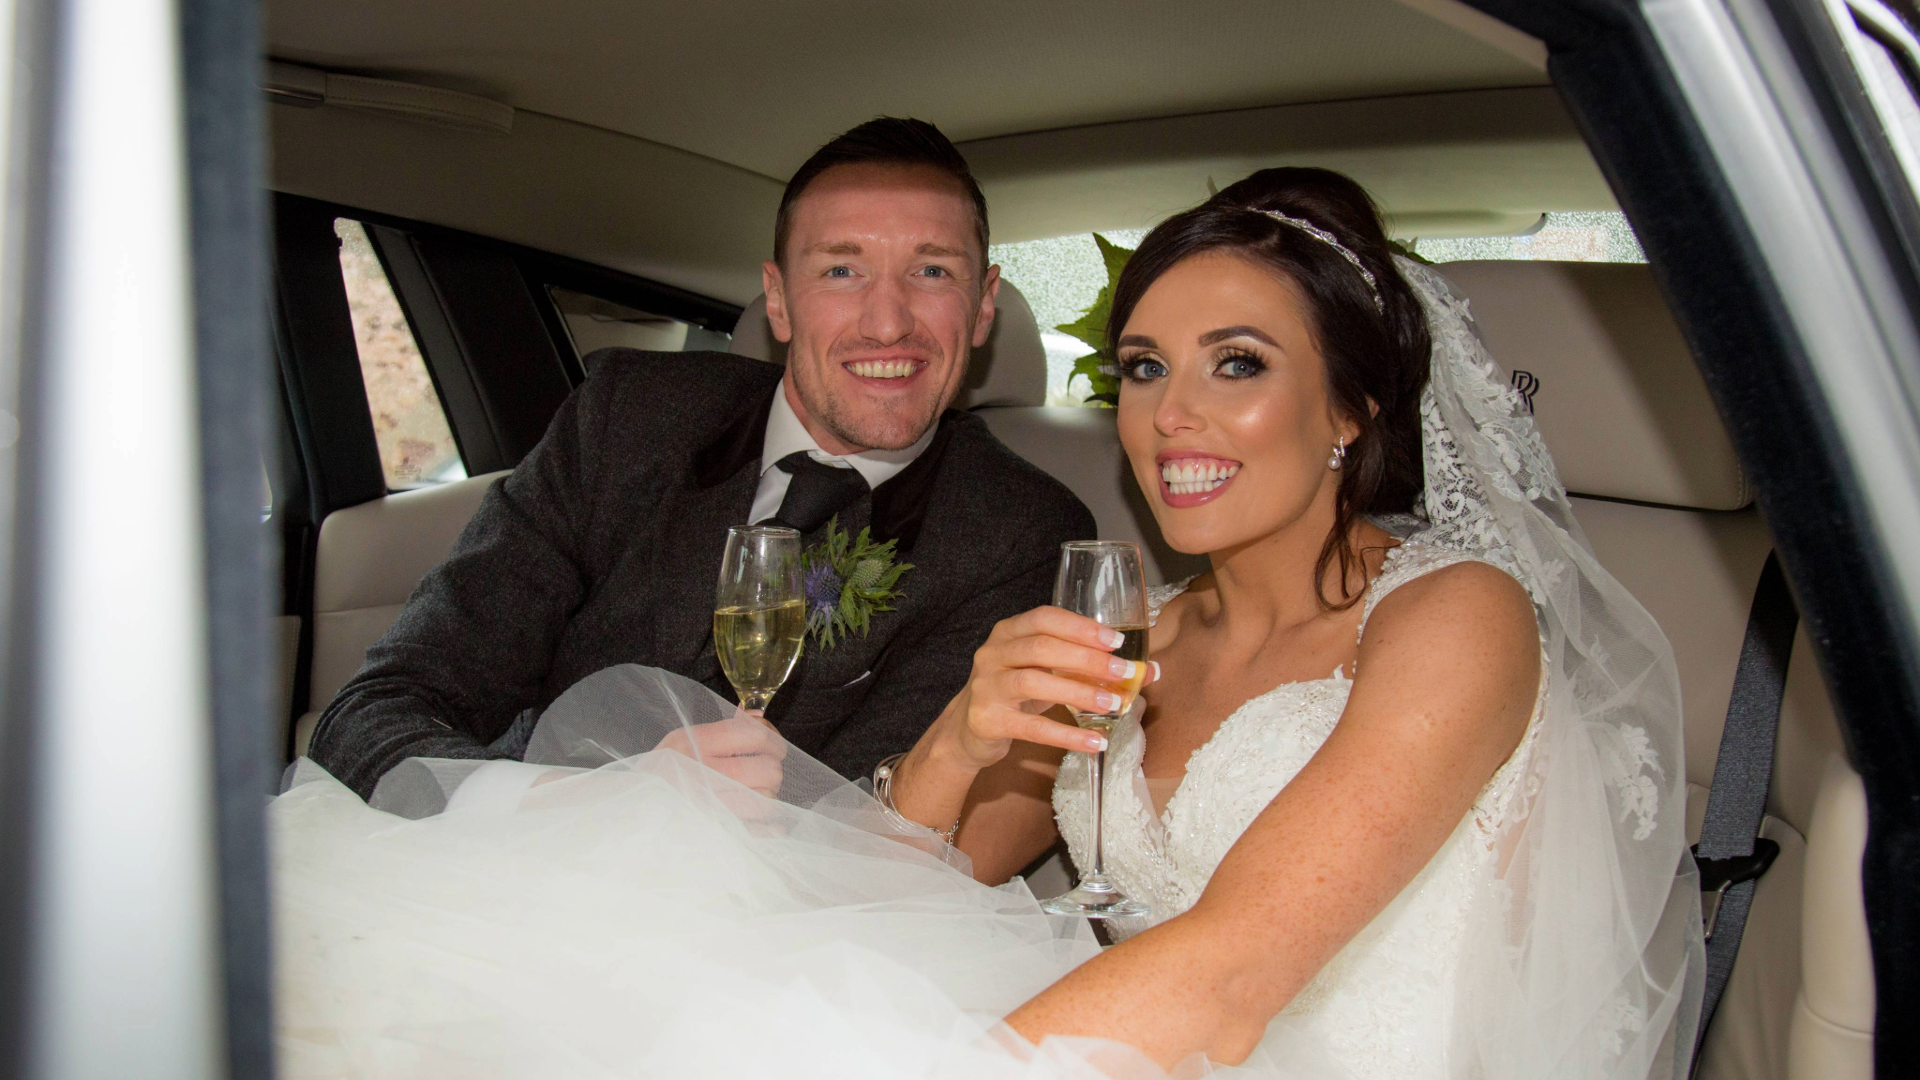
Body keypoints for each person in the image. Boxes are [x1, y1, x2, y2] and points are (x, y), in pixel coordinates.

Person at [271, 168, 1701, 1080]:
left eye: (1239, 365)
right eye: (1142, 367)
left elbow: (1235, 973)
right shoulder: (1129, 625)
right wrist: (963, 731)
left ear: (1353, 410)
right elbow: (912, 878)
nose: (1170, 416)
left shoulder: (1457, 617)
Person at [305, 117, 1094, 798]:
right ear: (778, 300)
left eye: (931, 271)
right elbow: (376, 710)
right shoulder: (625, 419)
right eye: (841, 270)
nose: (887, 322)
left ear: (984, 303)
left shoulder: (1017, 534)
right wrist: (557, 805)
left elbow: (873, 826)